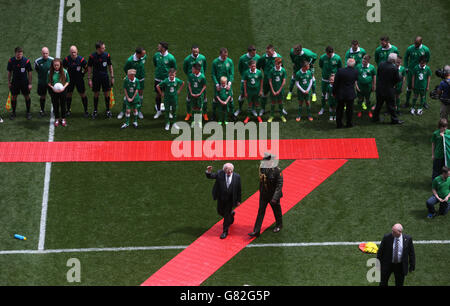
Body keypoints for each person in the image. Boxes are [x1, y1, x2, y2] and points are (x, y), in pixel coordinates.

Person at [248, 153, 283, 238]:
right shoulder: (262, 168)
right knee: (261, 211)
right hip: (264, 194)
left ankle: (279, 225)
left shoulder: (277, 170)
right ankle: (256, 231)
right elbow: (262, 180)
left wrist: (275, 197)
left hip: (273, 195)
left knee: (276, 210)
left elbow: (279, 184)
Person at [205, 163, 242, 239]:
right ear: (224, 170)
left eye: (230, 169)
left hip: (230, 200)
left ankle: (225, 231)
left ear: (233, 169)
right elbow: (211, 176)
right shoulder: (220, 174)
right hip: (221, 198)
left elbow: (239, 189)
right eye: (227, 169)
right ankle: (231, 216)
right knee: (220, 211)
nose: (229, 171)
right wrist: (208, 171)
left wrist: (238, 200)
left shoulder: (237, 177)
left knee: (226, 215)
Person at [372, 53, 403, 125]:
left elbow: (379, 74)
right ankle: (394, 120)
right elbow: (397, 79)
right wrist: (401, 76)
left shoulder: (381, 64)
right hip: (389, 90)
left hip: (380, 89)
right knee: (391, 106)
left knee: (378, 105)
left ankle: (375, 118)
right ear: (393, 60)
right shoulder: (394, 68)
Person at [87, 41, 114, 119]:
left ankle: (108, 110)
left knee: (106, 94)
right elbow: (89, 67)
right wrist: (89, 79)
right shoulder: (92, 56)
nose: (104, 48)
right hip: (96, 78)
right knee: (96, 94)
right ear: (98, 49)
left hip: (105, 77)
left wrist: (112, 77)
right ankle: (95, 111)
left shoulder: (107, 55)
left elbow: (110, 66)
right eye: (103, 47)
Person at [119, 47, 147, 120]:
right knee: (127, 95)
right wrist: (129, 77)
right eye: (143, 54)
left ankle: (139, 110)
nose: (144, 55)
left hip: (141, 80)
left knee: (140, 95)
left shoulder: (143, 57)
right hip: (132, 80)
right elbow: (125, 69)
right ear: (138, 54)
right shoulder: (130, 61)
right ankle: (123, 111)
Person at [404, 36, 431, 108]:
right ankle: (407, 102)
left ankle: (424, 102)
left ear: (421, 42)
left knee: (423, 86)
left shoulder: (425, 49)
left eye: (417, 44)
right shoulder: (410, 48)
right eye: (415, 43)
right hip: (411, 71)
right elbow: (406, 58)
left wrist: (423, 66)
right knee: (409, 86)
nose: (415, 45)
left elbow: (427, 58)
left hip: (421, 71)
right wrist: (406, 67)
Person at [257, 45, 284, 117]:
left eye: (268, 52)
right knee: (264, 94)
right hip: (266, 80)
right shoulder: (263, 57)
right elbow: (257, 67)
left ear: (272, 51)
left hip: (276, 81)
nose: (267, 53)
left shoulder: (278, 57)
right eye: (266, 51)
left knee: (279, 95)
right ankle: (262, 109)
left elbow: (282, 69)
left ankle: (281, 109)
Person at [7, 46, 33, 120]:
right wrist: (9, 82)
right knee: (14, 97)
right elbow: (9, 72)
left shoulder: (26, 61)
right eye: (18, 54)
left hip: (24, 82)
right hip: (15, 82)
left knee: (27, 96)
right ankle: (13, 113)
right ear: (15, 53)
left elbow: (30, 72)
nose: (20, 55)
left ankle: (28, 112)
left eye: (21, 54)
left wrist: (30, 83)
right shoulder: (11, 61)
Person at [183, 45, 208, 121]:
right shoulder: (187, 59)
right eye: (194, 52)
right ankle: (188, 113)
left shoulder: (202, 58)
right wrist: (191, 76)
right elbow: (185, 69)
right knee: (189, 98)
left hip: (201, 81)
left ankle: (205, 113)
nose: (196, 53)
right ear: (192, 51)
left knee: (204, 98)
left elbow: (205, 67)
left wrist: (200, 76)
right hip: (192, 80)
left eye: (197, 51)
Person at [63, 45, 89, 117]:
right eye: (72, 52)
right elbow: (63, 68)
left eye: (74, 52)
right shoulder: (67, 59)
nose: (73, 54)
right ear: (70, 52)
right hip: (70, 80)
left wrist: (83, 73)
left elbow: (87, 68)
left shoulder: (81, 60)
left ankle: (86, 111)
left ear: (77, 51)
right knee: (69, 94)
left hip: (79, 80)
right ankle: (68, 110)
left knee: (82, 94)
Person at [153, 42, 177, 119]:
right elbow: (155, 64)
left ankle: (168, 112)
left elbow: (174, 68)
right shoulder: (156, 55)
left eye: (159, 46)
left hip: (167, 80)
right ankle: (158, 111)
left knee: (168, 96)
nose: (158, 47)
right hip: (157, 79)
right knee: (158, 95)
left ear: (163, 48)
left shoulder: (171, 58)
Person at [236, 45, 261, 117]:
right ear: (249, 52)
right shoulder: (242, 58)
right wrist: (244, 77)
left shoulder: (257, 57)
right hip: (245, 79)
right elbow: (240, 68)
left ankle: (253, 109)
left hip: (254, 80)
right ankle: (239, 109)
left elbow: (258, 68)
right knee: (242, 94)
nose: (254, 54)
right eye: (253, 53)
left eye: (255, 52)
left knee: (254, 95)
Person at [333, 58, 358, 128]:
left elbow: (335, 83)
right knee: (349, 110)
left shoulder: (340, 71)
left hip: (340, 94)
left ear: (347, 64)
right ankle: (349, 123)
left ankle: (339, 124)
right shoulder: (355, 72)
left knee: (339, 110)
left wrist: (334, 92)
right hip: (350, 94)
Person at [319, 46, 343, 116]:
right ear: (326, 53)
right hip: (325, 79)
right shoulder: (322, 57)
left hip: (334, 80)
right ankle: (322, 108)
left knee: (336, 94)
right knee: (323, 94)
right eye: (328, 54)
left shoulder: (337, 58)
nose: (329, 55)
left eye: (330, 54)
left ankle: (337, 107)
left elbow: (339, 67)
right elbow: (320, 65)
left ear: (333, 52)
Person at [211, 48, 234, 121]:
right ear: (220, 54)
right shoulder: (215, 62)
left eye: (226, 56)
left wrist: (229, 84)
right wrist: (217, 84)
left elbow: (231, 73)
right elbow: (213, 74)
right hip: (218, 85)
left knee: (230, 99)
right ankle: (214, 114)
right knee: (215, 99)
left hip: (227, 84)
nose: (225, 57)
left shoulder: (229, 61)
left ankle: (231, 114)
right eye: (224, 56)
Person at [47, 58, 70, 127]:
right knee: (55, 105)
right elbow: (48, 82)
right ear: (52, 65)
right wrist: (53, 88)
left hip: (63, 90)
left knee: (63, 104)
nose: (56, 66)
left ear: (60, 65)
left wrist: (63, 88)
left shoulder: (65, 71)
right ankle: (57, 119)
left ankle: (63, 119)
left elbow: (68, 81)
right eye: (55, 65)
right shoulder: (49, 72)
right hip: (54, 91)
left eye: (57, 65)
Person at [34, 47, 54, 117]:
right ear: (41, 53)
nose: (45, 55)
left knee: (53, 96)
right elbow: (37, 70)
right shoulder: (37, 61)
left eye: (46, 53)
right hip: (42, 83)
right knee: (42, 96)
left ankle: (55, 109)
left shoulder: (52, 60)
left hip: (51, 83)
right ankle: (42, 110)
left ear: (48, 53)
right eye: (44, 53)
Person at [187, 63, 207, 128]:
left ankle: (199, 122)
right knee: (193, 108)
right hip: (193, 95)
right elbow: (189, 85)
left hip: (199, 95)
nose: (192, 70)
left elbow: (204, 86)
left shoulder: (202, 77)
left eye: (193, 69)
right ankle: (193, 121)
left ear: (197, 70)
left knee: (199, 108)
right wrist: (191, 93)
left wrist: (200, 93)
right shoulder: (190, 76)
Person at [268, 57, 287, 123]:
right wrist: (273, 90)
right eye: (276, 64)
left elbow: (283, 81)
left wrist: (279, 90)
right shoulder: (271, 70)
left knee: (280, 103)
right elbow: (270, 81)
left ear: (281, 64)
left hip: (280, 90)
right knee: (273, 103)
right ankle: (271, 116)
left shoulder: (283, 70)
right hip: (273, 90)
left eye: (278, 64)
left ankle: (281, 116)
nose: (277, 65)